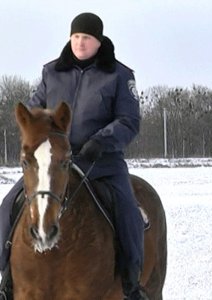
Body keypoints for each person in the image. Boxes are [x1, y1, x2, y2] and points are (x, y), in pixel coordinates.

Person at [0, 13, 147, 300]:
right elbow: (33, 112)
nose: (81, 42)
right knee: (9, 205)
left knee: (128, 211)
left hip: (100, 161)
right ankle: (6, 281)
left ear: (98, 41)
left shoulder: (119, 75)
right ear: (70, 38)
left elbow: (129, 120)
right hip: (52, 163)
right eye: (77, 37)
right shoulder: (51, 72)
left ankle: (131, 283)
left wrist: (101, 142)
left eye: (87, 38)